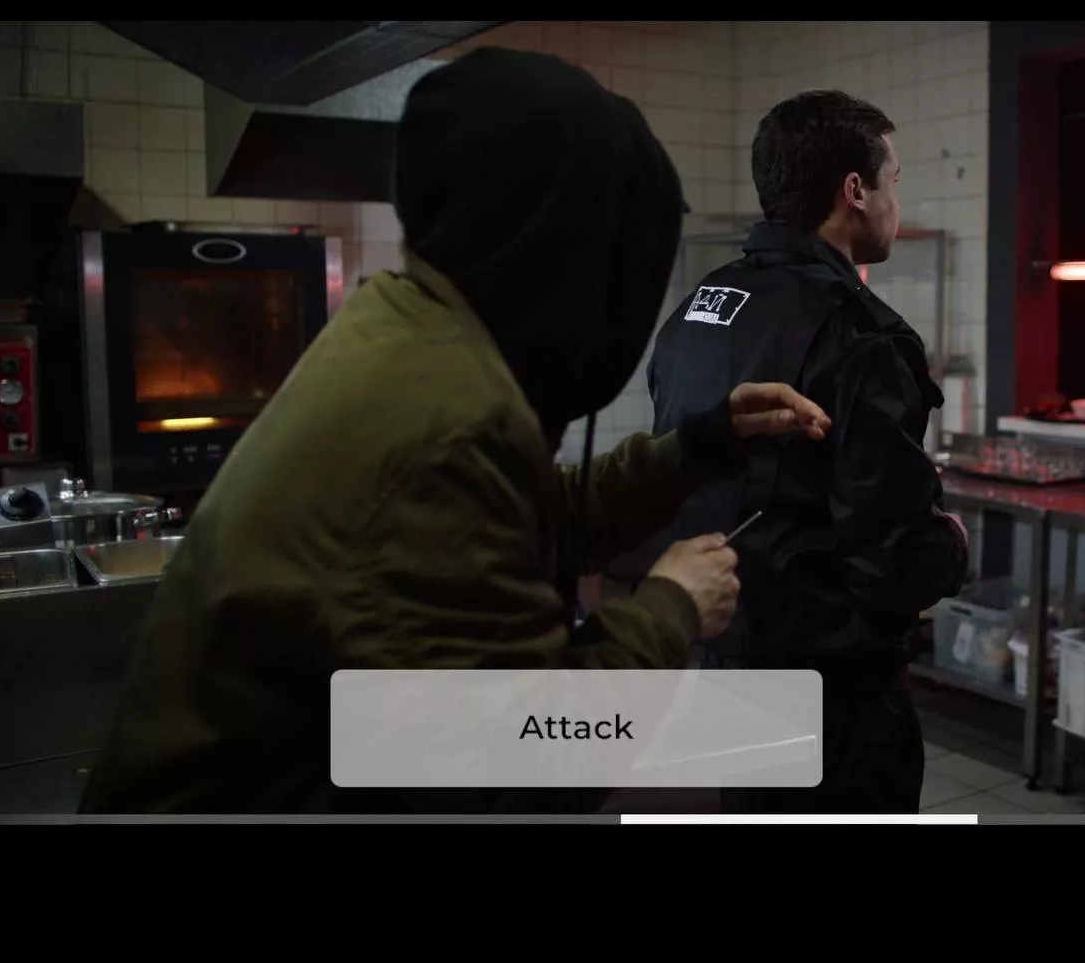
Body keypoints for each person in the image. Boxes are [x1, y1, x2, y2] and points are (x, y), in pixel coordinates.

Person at [79, 48, 830, 814]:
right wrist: (671, 608)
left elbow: (522, 521)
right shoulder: (449, 425)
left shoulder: (408, 331)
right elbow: (522, 771)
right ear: (565, 251)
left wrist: (699, 446)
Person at [643, 90, 971, 813]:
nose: (894, 202)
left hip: (728, 654)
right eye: (892, 181)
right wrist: (951, 543)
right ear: (855, 191)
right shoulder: (861, 334)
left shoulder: (701, 305)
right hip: (832, 691)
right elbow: (892, 557)